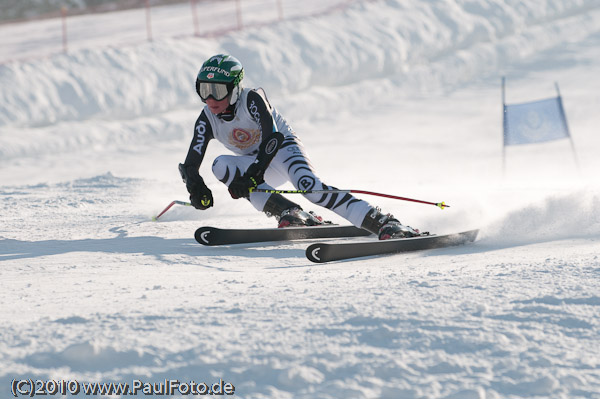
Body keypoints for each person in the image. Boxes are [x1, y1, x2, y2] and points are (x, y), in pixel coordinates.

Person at [179, 54, 420, 240]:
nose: (210, 99)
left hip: (282, 150)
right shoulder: (207, 118)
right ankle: (290, 212)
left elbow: (272, 138)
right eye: (204, 90)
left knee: (310, 188)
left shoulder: (252, 99)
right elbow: (192, 161)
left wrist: (253, 175)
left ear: (235, 88)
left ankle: (385, 223)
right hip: (257, 162)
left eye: (218, 91)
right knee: (220, 165)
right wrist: (195, 187)